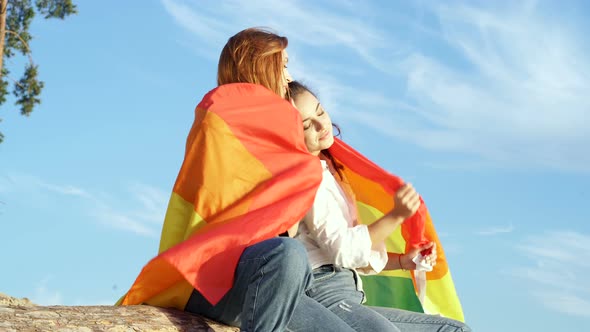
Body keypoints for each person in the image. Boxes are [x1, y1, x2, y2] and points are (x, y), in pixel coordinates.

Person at [289, 80, 472, 332]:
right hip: (322, 292)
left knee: (453, 330)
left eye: (321, 112)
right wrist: (396, 215)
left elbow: (349, 255)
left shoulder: (328, 171)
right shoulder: (306, 177)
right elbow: (343, 251)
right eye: (308, 125)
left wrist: (402, 262)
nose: (322, 125)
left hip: (344, 293)